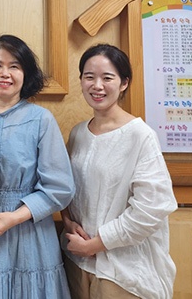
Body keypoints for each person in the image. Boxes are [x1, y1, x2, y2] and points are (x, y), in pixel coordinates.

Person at [0, 35, 75, 299]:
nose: (4, 73)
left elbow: (60, 187)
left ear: (25, 74)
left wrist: (14, 217)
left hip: (28, 230)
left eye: (14, 66)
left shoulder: (41, 119)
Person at [60, 44, 177, 299]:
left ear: (124, 83)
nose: (97, 85)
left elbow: (152, 208)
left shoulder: (140, 135)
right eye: (89, 77)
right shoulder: (79, 133)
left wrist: (95, 244)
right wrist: (68, 223)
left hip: (124, 272)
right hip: (79, 263)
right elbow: (68, 189)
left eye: (107, 78)